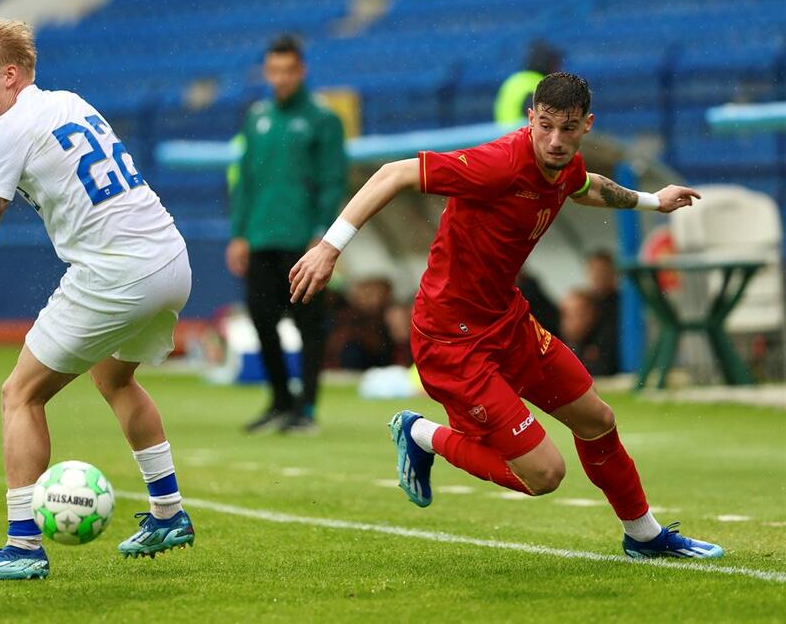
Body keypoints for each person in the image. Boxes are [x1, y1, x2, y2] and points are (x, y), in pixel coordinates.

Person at [289, 72, 723, 560]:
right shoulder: (497, 164)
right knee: (545, 475)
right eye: (546, 126)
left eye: (569, 128)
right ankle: (420, 433)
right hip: (451, 340)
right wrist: (329, 248)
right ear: (530, 119)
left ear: (586, 126)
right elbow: (392, 174)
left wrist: (652, 201)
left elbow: (585, 186)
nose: (556, 140)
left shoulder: (565, 162)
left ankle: (644, 537)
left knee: (597, 419)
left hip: (507, 320)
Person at [0, 20, 195, 580]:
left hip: (116, 273)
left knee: (19, 394)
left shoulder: (9, 131)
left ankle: (22, 546)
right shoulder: (68, 101)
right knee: (113, 378)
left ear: (12, 75)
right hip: (171, 258)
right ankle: (168, 511)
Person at [226, 34, 347, 434]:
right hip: (260, 237)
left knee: (309, 325)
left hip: (302, 241)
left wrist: (322, 234)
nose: (280, 78)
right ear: (266, 72)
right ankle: (280, 401)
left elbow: (333, 181)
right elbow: (245, 180)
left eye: (288, 71)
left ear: (302, 71)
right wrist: (239, 233)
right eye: (274, 71)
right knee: (262, 321)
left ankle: (307, 408)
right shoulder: (256, 118)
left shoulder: (323, 119)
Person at [494, 40, 563, 125]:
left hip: (505, 135)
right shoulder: (541, 84)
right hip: (525, 136)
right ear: (549, 65)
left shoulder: (513, 80)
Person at [584, 249, 621, 375]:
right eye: (594, 271)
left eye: (603, 271)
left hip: (610, 362)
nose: (598, 276)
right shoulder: (587, 302)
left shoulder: (621, 304)